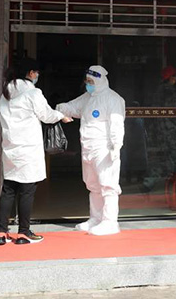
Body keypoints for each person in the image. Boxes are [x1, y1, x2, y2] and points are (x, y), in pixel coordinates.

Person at [0, 58, 72, 245]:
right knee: (27, 190)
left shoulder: (6, 92)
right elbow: (46, 115)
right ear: (31, 73)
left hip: (10, 148)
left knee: (8, 190)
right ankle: (23, 233)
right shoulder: (33, 92)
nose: (37, 76)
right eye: (37, 72)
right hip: (28, 149)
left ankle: (1, 233)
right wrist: (61, 115)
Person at [57, 65, 126, 236]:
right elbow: (73, 108)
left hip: (104, 147)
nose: (88, 84)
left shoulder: (113, 99)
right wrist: (60, 108)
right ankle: (96, 218)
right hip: (87, 147)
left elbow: (116, 123)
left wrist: (116, 145)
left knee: (108, 185)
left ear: (100, 80)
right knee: (93, 185)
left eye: (91, 81)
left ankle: (110, 222)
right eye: (87, 81)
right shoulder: (88, 97)